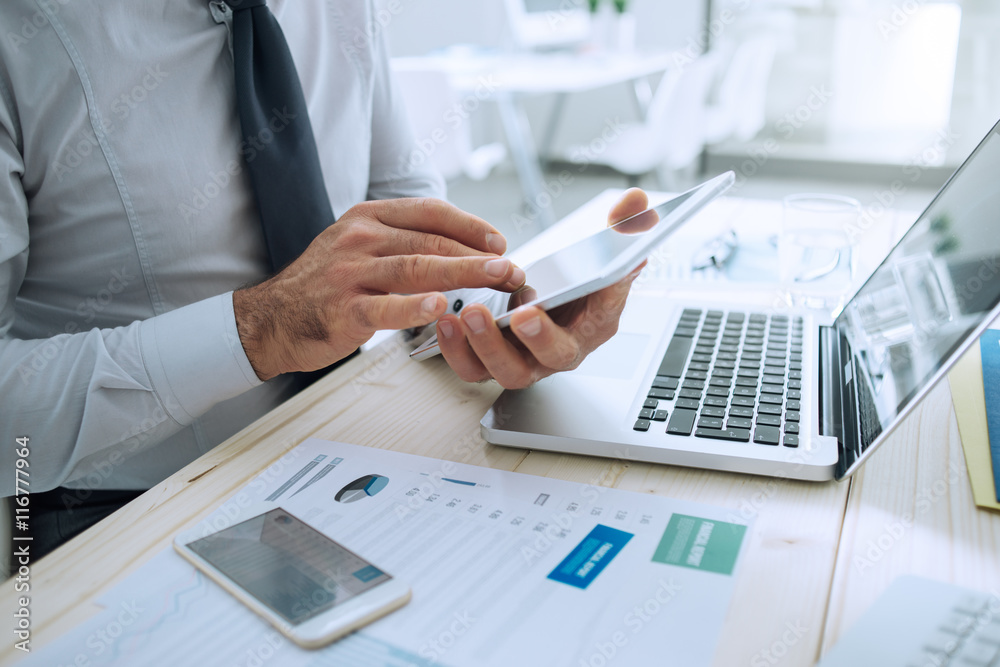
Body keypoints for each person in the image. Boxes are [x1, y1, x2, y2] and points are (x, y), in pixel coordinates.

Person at [0, 0, 644, 556]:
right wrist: (259, 330)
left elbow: (402, 203)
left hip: (349, 441)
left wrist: (500, 311)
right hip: (118, 506)